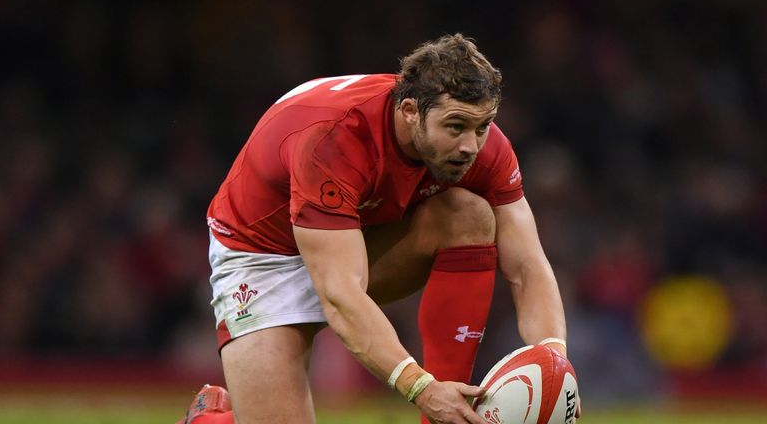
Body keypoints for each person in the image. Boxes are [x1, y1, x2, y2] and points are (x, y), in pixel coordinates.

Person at [179, 33, 576, 424]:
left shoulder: (480, 147)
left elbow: (527, 266)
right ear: (408, 111)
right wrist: (421, 388)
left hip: (349, 242)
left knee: (469, 214)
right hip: (263, 259)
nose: (471, 145)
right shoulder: (333, 141)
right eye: (455, 126)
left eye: (483, 126)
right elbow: (340, 295)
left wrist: (555, 366)